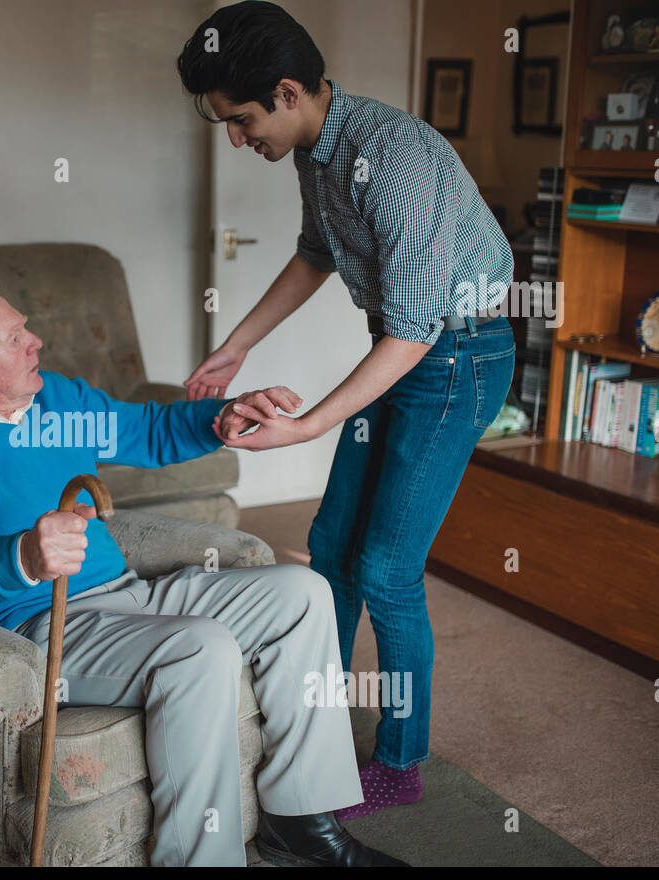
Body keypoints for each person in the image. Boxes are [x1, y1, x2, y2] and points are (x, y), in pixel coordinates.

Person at [0, 267, 406, 867]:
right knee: (199, 646)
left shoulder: (52, 400)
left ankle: (298, 821)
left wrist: (223, 418)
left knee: (301, 592)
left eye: (25, 330)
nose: (36, 343)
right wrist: (23, 557)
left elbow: (149, 430)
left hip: (130, 593)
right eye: (14, 339)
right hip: (44, 627)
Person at [177, 1, 516, 821]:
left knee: (387, 570)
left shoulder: (394, 158)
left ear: (288, 92)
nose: (237, 137)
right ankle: (314, 722)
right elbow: (316, 254)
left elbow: (414, 333)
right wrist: (239, 347)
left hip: (457, 358)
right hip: (402, 348)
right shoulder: (319, 150)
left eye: (242, 119)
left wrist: (313, 422)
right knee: (329, 543)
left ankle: (401, 761)